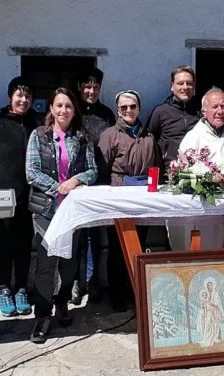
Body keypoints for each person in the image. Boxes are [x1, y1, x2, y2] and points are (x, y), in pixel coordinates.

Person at [26, 87, 97, 343]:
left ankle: (62, 304)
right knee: (46, 264)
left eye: (68, 106)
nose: (63, 110)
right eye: (59, 105)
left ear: (73, 110)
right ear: (51, 109)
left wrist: (75, 180)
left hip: (72, 211)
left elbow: (92, 171)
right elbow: (31, 172)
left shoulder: (82, 137)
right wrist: (58, 186)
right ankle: (42, 315)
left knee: (69, 263)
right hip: (46, 210)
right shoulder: (39, 136)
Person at [0, 76, 41, 317]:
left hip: (30, 196)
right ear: (10, 97)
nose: (23, 100)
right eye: (19, 95)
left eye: (27, 96)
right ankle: (4, 288)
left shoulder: (37, 125)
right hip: (3, 195)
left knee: (25, 245)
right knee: (5, 243)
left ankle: (21, 290)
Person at [97, 90, 161, 311]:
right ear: (118, 110)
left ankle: (136, 290)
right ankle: (117, 294)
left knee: (140, 246)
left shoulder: (149, 136)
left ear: (139, 108)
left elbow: (157, 165)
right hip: (120, 194)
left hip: (143, 198)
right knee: (117, 247)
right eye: (124, 107)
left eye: (132, 106)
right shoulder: (109, 135)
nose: (128, 111)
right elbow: (102, 170)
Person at [71, 67, 116, 305]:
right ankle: (75, 283)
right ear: (80, 87)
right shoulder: (72, 111)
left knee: (94, 237)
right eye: (87, 86)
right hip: (73, 182)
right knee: (75, 234)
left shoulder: (106, 114)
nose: (91, 91)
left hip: (99, 180)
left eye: (95, 87)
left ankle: (92, 281)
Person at [147, 65, 200, 172]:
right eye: (180, 83)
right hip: (169, 171)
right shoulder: (161, 112)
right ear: (172, 86)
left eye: (189, 83)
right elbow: (148, 139)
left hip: (197, 171)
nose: (185, 87)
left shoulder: (201, 111)